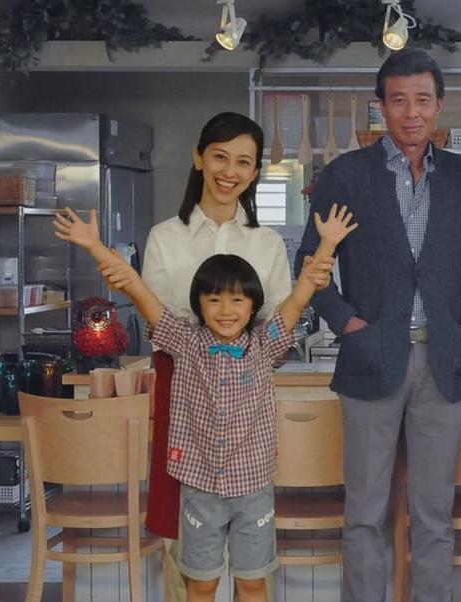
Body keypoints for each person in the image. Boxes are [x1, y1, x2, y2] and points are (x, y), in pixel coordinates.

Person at [54, 204, 355, 602]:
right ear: (199, 304)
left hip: (253, 489)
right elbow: (136, 289)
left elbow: (300, 296)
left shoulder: (264, 345)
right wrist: (94, 246)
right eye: (214, 300)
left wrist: (328, 244)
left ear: (253, 306)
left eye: (237, 301)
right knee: (201, 584)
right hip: (199, 489)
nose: (226, 311)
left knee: (252, 583)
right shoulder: (184, 342)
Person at [295, 48, 461, 602]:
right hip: (369, 359)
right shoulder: (345, 175)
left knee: (434, 513)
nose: (412, 113)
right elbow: (311, 263)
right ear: (380, 106)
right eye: (400, 100)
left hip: (444, 362)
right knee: (364, 513)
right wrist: (347, 324)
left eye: (423, 100)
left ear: (439, 106)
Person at [140, 112, 293, 602]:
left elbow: (276, 327)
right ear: (199, 158)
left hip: (246, 401)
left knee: (252, 560)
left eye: (243, 162)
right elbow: (161, 324)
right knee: (181, 537)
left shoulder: (267, 243)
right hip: (181, 393)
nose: (230, 171)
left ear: (255, 171)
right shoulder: (165, 237)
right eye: (220, 157)